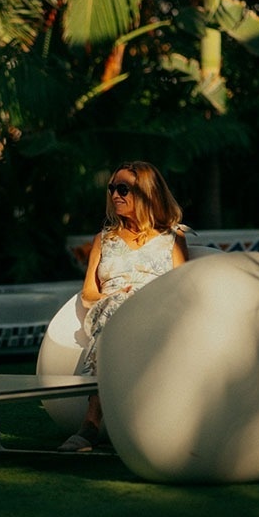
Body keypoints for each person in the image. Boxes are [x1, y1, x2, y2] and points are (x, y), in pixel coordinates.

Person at [59, 160, 189, 452]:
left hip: (158, 312)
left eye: (123, 189)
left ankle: (91, 425)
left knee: (127, 316)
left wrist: (144, 299)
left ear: (146, 193)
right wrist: (112, 299)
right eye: (112, 188)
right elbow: (89, 293)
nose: (115, 195)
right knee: (118, 311)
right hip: (108, 311)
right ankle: (98, 424)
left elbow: (183, 286)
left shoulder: (172, 238)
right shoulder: (104, 239)